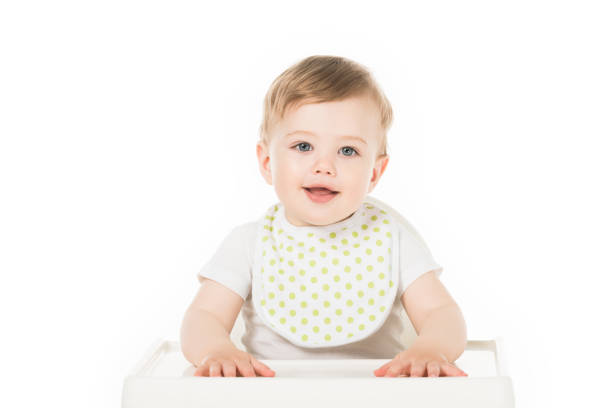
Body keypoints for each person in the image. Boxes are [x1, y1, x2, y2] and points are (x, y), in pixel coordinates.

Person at [180, 55, 468, 378]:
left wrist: (432, 347)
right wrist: (215, 349)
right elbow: (203, 317)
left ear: (375, 172)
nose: (324, 166)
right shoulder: (249, 243)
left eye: (348, 151)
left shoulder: (393, 238)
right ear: (266, 162)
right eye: (303, 146)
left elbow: (441, 313)